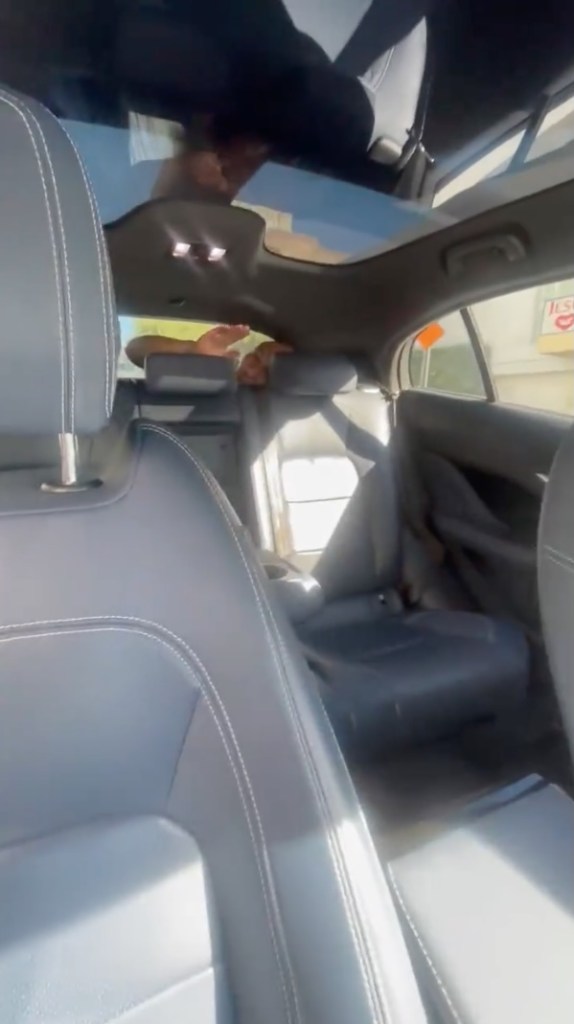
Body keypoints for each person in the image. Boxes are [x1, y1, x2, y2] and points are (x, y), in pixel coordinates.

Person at [125, 323, 292, 387]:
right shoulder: (212, 388)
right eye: (255, 358)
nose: (252, 371)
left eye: (269, 372)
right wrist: (195, 350)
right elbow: (135, 349)